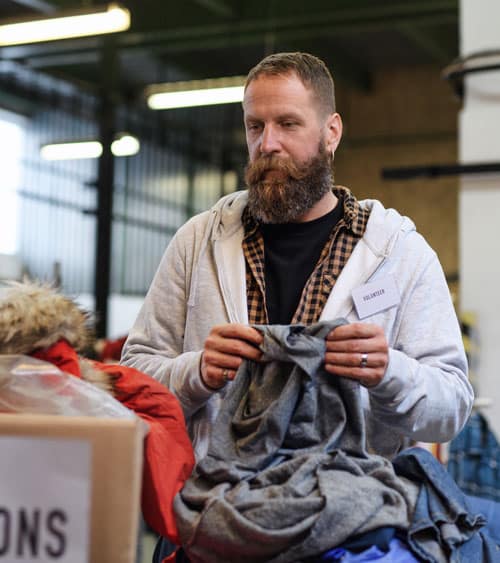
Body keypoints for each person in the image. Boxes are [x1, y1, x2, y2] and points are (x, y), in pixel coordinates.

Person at [121, 51, 473, 464]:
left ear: (331, 132)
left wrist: (388, 373)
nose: (267, 144)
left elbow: (452, 407)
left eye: (288, 124)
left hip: (348, 514)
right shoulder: (197, 242)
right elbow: (132, 384)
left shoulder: (398, 253)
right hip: (211, 508)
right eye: (255, 126)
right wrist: (196, 372)